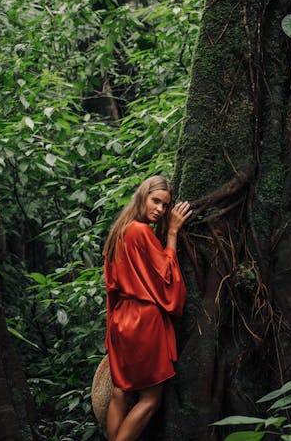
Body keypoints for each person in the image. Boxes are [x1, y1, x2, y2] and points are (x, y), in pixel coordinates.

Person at [102, 175, 192, 441]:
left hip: (121, 320)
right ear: (142, 196)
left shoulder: (119, 231)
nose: (161, 210)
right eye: (156, 201)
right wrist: (173, 233)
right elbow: (166, 277)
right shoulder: (140, 231)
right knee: (151, 398)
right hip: (144, 321)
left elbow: (112, 287)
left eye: (165, 206)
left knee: (121, 394)